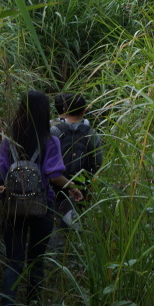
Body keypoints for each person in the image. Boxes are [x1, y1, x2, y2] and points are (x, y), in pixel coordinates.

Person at [0, 90, 82, 306]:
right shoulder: (49, 141)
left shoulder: (9, 141)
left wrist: (2, 187)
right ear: (44, 113)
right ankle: (33, 303)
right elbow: (53, 174)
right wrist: (72, 187)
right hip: (42, 206)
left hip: (13, 207)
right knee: (36, 260)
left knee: (14, 261)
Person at [51, 92, 103, 229]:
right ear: (84, 111)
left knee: (55, 224)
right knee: (77, 223)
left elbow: (47, 161)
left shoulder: (54, 130)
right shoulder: (90, 133)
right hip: (82, 185)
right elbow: (98, 161)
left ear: (65, 110)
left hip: (57, 185)